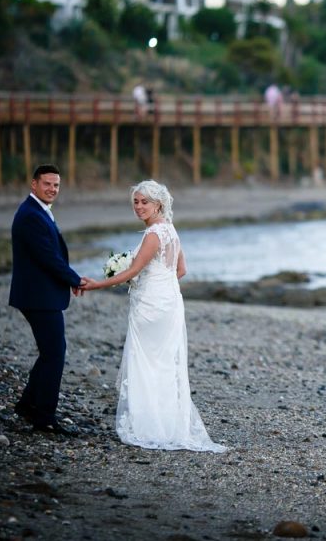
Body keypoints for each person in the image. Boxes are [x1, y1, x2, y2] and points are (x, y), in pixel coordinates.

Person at [82, 180, 226, 452]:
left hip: (150, 306)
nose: (138, 207)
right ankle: (168, 424)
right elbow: (180, 270)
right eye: (135, 202)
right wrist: (156, 281)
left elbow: (133, 271)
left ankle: (149, 426)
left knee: (146, 363)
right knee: (163, 364)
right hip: (169, 304)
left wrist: (97, 284)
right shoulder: (170, 230)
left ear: (158, 204)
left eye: (144, 202)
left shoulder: (152, 235)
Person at [9, 164, 89, 436]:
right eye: (47, 184)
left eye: (56, 185)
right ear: (34, 184)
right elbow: (48, 257)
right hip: (38, 295)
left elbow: (49, 256)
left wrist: (70, 278)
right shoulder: (31, 215)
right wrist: (75, 279)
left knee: (50, 352)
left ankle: (29, 405)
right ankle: (44, 417)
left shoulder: (37, 211)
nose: (52, 189)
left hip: (39, 293)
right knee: (55, 353)